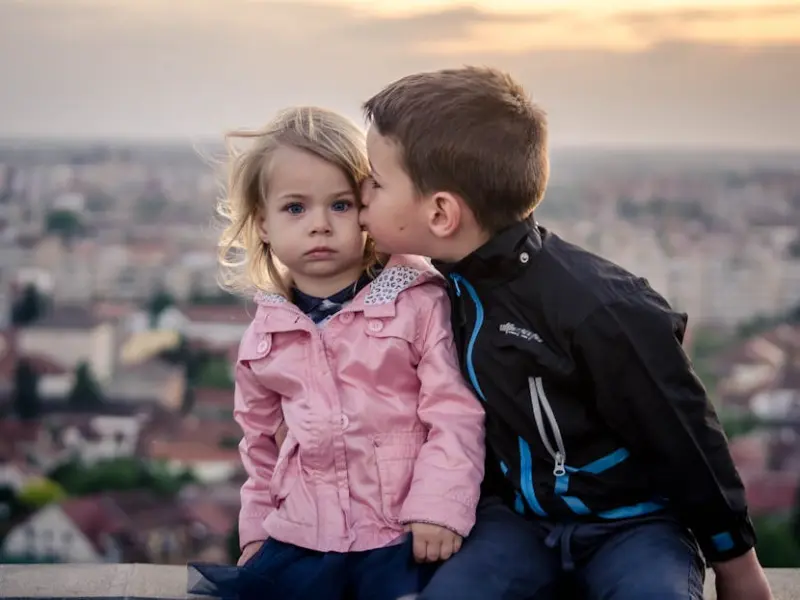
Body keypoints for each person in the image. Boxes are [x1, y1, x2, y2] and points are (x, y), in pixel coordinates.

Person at [358, 67, 773, 600]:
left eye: (376, 179)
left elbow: (685, 436)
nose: (361, 191)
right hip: (517, 524)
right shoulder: (439, 288)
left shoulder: (600, 308)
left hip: (634, 526)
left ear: (441, 212)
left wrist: (736, 563)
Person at [187, 106, 485, 600]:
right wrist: (258, 530)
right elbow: (259, 448)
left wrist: (439, 507)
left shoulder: (416, 303)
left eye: (340, 206)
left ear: (367, 212)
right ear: (262, 224)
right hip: (305, 541)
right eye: (295, 208)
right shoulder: (268, 334)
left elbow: (454, 414)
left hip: (403, 537)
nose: (320, 225)